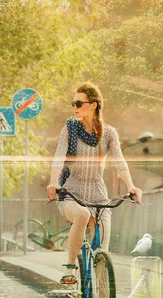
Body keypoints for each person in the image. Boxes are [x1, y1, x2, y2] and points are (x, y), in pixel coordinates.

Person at [46, 82, 142, 284]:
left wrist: (131, 186)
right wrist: (54, 182)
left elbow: (119, 162)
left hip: (99, 194)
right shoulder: (69, 128)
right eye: (74, 102)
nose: (75, 106)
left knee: (103, 253)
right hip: (71, 191)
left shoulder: (109, 133)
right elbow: (58, 157)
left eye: (79, 103)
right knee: (82, 214)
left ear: (94, 105)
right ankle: (71, 269)